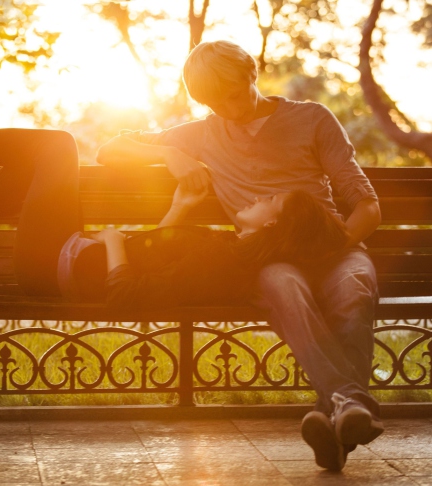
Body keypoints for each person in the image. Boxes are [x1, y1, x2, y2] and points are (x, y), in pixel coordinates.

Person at [96, 40, 382, 471]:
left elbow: (368, 207)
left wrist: (331, 245)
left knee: (353, 289)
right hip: (266, 258)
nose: (227, 109)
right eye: (213, 102)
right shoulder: (201, 133)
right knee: (284, 284)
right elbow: (109, 149)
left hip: (336, 247)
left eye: (232, 94)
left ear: (252, 72)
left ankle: (337, 422)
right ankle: (350, 406)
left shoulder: (311, 119)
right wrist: (169, 153)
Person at [0, 90, 349, 311]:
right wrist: (181, 208)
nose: (261, 197)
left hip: (51, 267)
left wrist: (117, 247)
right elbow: (160, 257)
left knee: (58, 146)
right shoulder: (227, 252)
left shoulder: (222, 263)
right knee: (41, 162)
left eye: (271, 201)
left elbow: (131, 298)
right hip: (70, 252)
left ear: (271, 227)